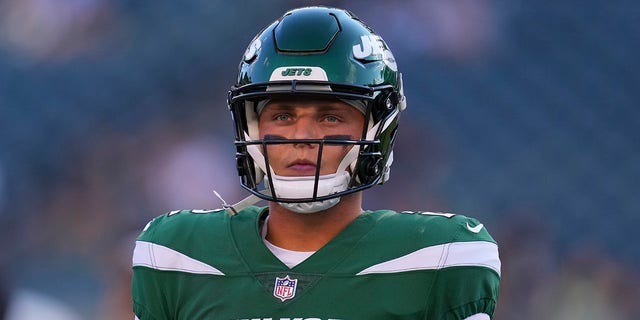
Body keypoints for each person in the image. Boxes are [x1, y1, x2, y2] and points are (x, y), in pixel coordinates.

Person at [131, 6, 500, 320]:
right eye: (283, 116)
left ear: (375, 130)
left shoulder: (437, 259)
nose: (302, 135)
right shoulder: (177, 256)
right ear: (251, 127)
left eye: (330, 118)